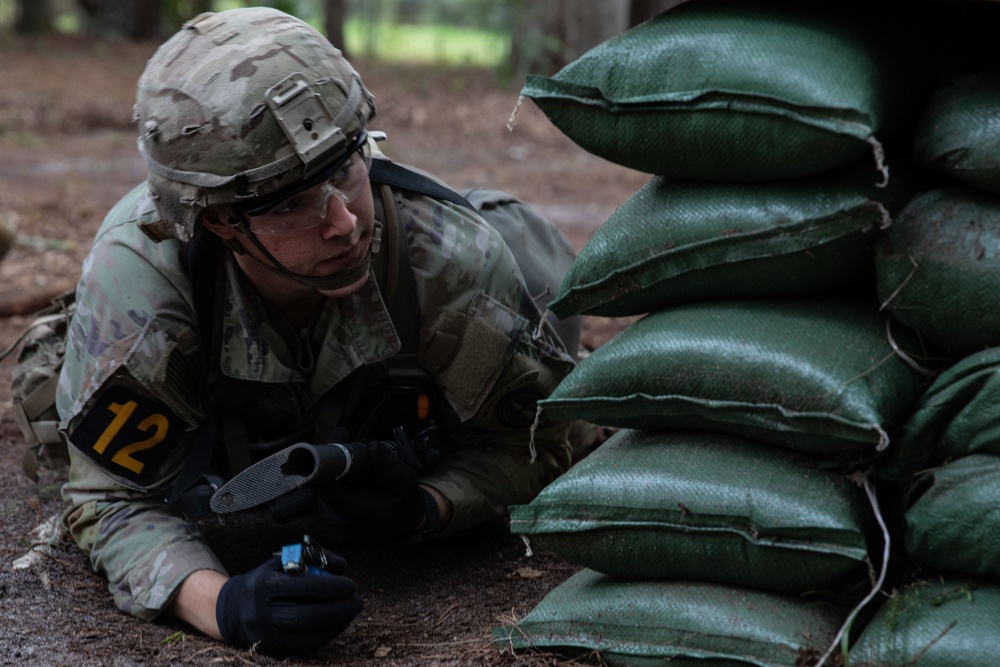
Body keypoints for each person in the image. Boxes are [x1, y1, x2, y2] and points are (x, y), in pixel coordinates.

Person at [56, 7, 581, 658]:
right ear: (220, 222)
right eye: (288, 204)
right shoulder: (144, 292)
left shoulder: (447, 264)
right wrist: (226, 604)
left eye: (345, 169)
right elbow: (108, 500)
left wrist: (425, 505)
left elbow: (539, 441)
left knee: (541, 277)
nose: (343, 223)